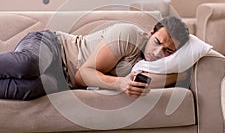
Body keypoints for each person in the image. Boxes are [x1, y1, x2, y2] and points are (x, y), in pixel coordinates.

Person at [0, 16, 189, 100]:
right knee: (27, 65)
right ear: (151, 33)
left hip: (61, 80)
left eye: (168, 51)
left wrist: (182, 74)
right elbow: (83, 75)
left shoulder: (157, 66)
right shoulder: (129, 35)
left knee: (28, 89)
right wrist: (120, 83)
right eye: (157, 42)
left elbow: (178, 75)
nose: (157, 53)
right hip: (54, 46)